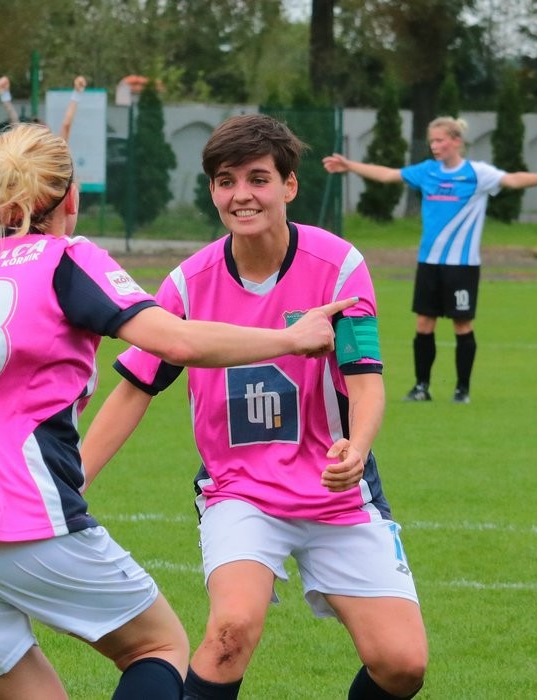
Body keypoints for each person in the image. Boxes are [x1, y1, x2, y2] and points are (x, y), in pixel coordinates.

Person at [0, 122, 352, 699]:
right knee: (157, 647)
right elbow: (176, 341)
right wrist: (290, 339)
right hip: (28, 519)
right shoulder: (67, 260)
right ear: (71, 195)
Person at [82, 113, 428, 700]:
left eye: (258, 179)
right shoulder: (187, 284)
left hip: (337, 492)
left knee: (402, 665)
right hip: (239, 491)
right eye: (226, 181)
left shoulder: (339, 266)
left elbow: (366, 382)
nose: (241, 195)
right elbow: (135, 390)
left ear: (289, 186)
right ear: (213, 191)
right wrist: (74, 483)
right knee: (230, 633)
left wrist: (358, 447)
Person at [323, 117, 537, 404]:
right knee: (424, 323)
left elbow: (511, 180)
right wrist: (350, 166)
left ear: (456, 141)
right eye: (432, 141)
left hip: (463, 265)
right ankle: (421, 386)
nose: (435, 146)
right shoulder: (427, 171)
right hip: (429, 263)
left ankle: (462, 389)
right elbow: (388, 175)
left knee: (462, 324)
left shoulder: (476, 173)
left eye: (440, 140)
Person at [0, 74, 86, 140]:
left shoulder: (28, 153)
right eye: (39, 127)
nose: (42, 126)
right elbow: (66, 126)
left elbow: (15, 124)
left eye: (42, 125)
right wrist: (77, 94)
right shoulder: (56, 152)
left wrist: (4, 96)